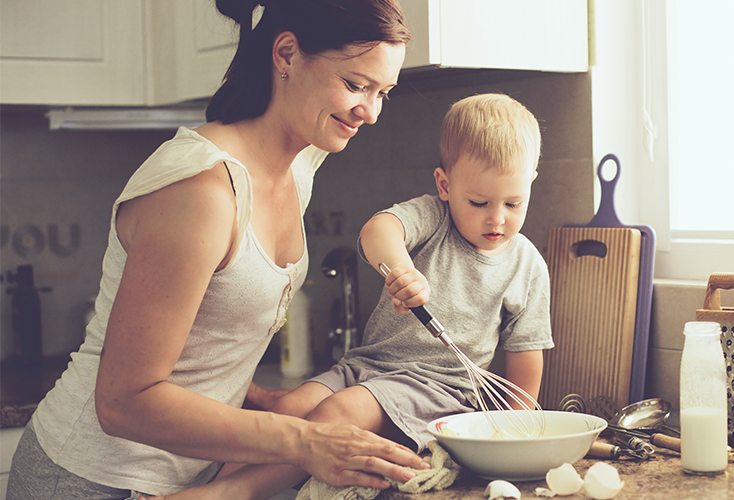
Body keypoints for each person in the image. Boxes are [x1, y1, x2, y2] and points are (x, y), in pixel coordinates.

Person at [6, 1, 433, 498]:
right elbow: (123, 400)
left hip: (190, 477)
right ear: (287, 54)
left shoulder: (301, 164)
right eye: (356, 85)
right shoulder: (202, 189)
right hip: (90, 480)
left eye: (384, 92)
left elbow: (203, 333)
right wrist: (303, 439)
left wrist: (253, 396)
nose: (372, 111)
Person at [161, 93, 555, 499]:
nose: (497, 217)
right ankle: (214, 487)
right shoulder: (432, 219)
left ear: (530, 185)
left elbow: (526, 363)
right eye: (479, 202)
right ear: (445, 184)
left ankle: (225, 495)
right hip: (367, 366)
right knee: (289, 411)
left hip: (439, 390)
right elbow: (377, 232)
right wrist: (401, 268)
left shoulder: (527, 265)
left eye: (513, 202)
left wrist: (511, 440)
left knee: (337, 414)